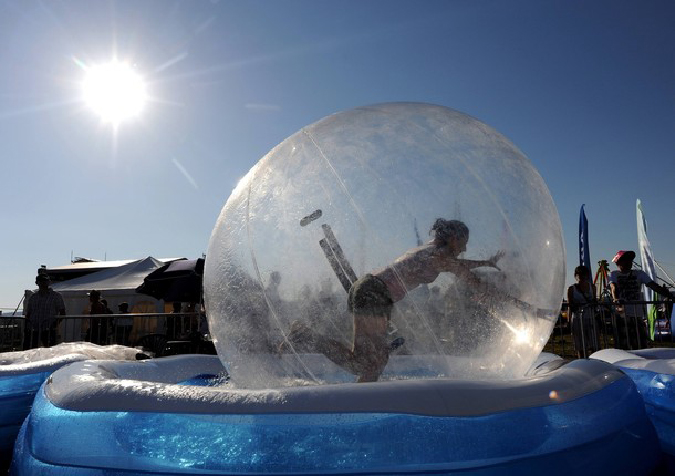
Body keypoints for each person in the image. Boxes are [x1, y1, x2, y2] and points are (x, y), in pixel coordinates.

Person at [281, 218, 504, 382]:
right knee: (369, 364)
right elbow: (460, 269)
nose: (464, 248)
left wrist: (485, 268)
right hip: (374, 292)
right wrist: (488, 272)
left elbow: (460, 269)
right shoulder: (437, 254)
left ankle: (307, 338)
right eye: (464, 242)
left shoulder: (433, 250)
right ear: (454, 238)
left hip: (373, 291)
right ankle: (307, 338)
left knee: (371, 362)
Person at [609, 250, 674, 350]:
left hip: (637, 315)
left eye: (630, 260)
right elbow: (613, 287)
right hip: (621, 314)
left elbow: (653, 286)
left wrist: (669, 295)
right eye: (625, 260)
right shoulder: (614, 274)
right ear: (618, 262)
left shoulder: (639, 273)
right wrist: (616, 299)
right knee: (623, 344)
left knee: (640, 343)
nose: (629, 263)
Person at [23, 274, 66, 349]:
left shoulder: (56, 296)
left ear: (49, 282)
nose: (43, 283)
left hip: (48, 329)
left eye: (45, 281)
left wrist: (54, 324)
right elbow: (29, 313)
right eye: (41, 281)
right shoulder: (33, 297)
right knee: (31, 350)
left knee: (50, 350)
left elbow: (62, 313)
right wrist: (27, 326)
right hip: (34, 329)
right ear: (37, 283)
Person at [567, 265, 599, 358]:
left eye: (583, 274)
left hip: (590, 318)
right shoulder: (571, 289)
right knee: (580, 345)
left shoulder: (592, 287)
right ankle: (582, 362)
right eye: (579, 274)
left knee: (594, 344)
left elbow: (594, 301)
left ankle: (594, 361)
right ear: (576, 276)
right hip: (577, 318)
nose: (581, 276)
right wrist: (569, 321)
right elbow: (570, 306)